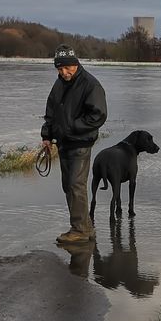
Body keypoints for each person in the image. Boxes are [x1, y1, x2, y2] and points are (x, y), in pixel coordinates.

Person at [40, 43, 108, 244]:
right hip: (63, 143)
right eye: (59, 68)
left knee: (75, 185)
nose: (63, 72)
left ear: (75, 63)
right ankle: (85, 227)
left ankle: (79, 230)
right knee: (68, 186)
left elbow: (99, 115)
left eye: (66, 67)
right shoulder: (59, 83)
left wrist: (71, 127)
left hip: (80, 143)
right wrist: (47, 135)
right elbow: (51, 111)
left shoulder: (91, 85)